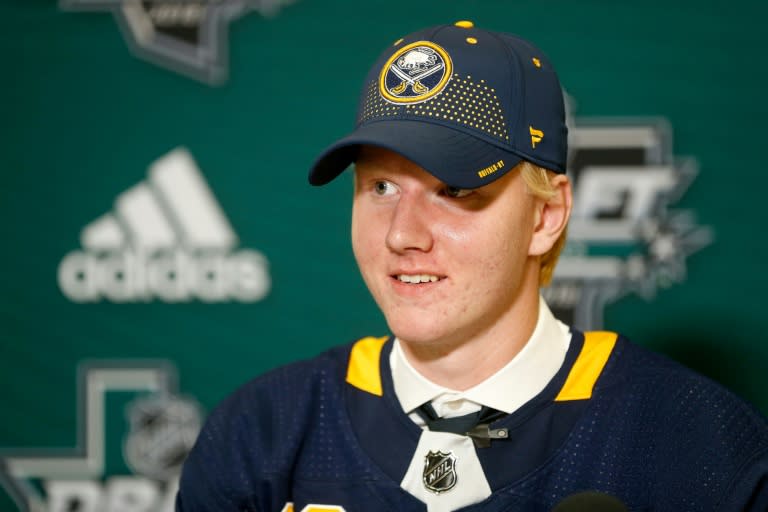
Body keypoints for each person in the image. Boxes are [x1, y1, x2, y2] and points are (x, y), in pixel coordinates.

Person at [176, 22, 768, 511]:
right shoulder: (264, 432)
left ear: (546, 216)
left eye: (456, 190)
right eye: (380, 186)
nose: (403, 234)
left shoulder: (699, 444)